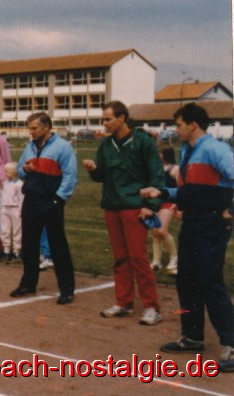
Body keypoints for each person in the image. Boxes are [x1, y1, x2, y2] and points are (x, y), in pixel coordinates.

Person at [139, 103, 234, 372]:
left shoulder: (216, 149)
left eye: (179, 124)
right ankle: (192, 337)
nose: (175, 129)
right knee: (187, 279)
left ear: (193, 124)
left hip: (213, 223)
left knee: (209, 281)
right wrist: (162, 193)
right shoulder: (188, 151)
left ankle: (231, 344)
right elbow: (189, 190)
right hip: (193, 221)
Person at [83, 100, 164, 325]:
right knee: (120, 258)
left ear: (122, 118)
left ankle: (151, 307)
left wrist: (151, 206)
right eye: (103, 119)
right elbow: (101, 176)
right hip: (112, 206)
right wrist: (94, 169)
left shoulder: (143, 142)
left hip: (135, 207)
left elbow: (157, 176)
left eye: (108, 119)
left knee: (138, 257)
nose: (104, 123)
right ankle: (124, 302)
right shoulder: (107, 145)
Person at [10, 112, 78, 305]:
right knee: (29, 244)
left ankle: (67, 289)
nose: (30, 132)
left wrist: (58, 199)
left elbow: (70, 176)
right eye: (29, 128)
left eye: (34, 128)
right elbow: (21, 169)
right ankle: (28, 284)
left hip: (52, 201)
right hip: (31, 199)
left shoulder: (63, 147)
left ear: (47, 127)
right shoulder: (30, 147)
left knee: (58, 246)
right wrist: (26, 170)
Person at [151, 144, 180, 275]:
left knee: (162, 230)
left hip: (170, 202)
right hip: (158, 202)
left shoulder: (174, 169)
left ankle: (175, 258)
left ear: (167, 154)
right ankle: (156, 261)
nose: (158, 155)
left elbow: (182, 188)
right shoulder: (157, 168)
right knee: (155, 232)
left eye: (161, 153)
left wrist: (180, 206)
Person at [0, 163, 24, 262]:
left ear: (14, 172)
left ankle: (16, 250)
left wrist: (21, 210)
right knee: (4, 230)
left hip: (15, 209)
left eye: (7, 171)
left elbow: (21, 198)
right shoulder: (5, 183)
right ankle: (6, 249)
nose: (4, 173)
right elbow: (3, 195)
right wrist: (1, 207)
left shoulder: (19, 184)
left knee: (17, 230)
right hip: (5, 208)